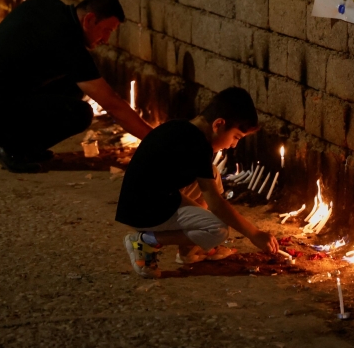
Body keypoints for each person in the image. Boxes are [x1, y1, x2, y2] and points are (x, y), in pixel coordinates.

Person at [0, 0, 153, 173]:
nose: (106, 39)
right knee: (79, 114)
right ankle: (11, 148)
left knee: (73, 86)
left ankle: (16, 143)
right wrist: (155, 139)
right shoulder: (68, 42)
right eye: (106, 30)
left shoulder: (51, 7)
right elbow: (113, 105)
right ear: (88, 20)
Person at [117, 87, 280, 279]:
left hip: (145, 199)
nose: (234, 145)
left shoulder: (181, 129)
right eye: (236, 137)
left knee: (213, 174)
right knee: (218, 229)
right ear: (218, 124)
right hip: (146, 211)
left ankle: (189, 251)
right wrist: (254, 234)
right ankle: (146, 241)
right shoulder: (197, 146)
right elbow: (216, 204)